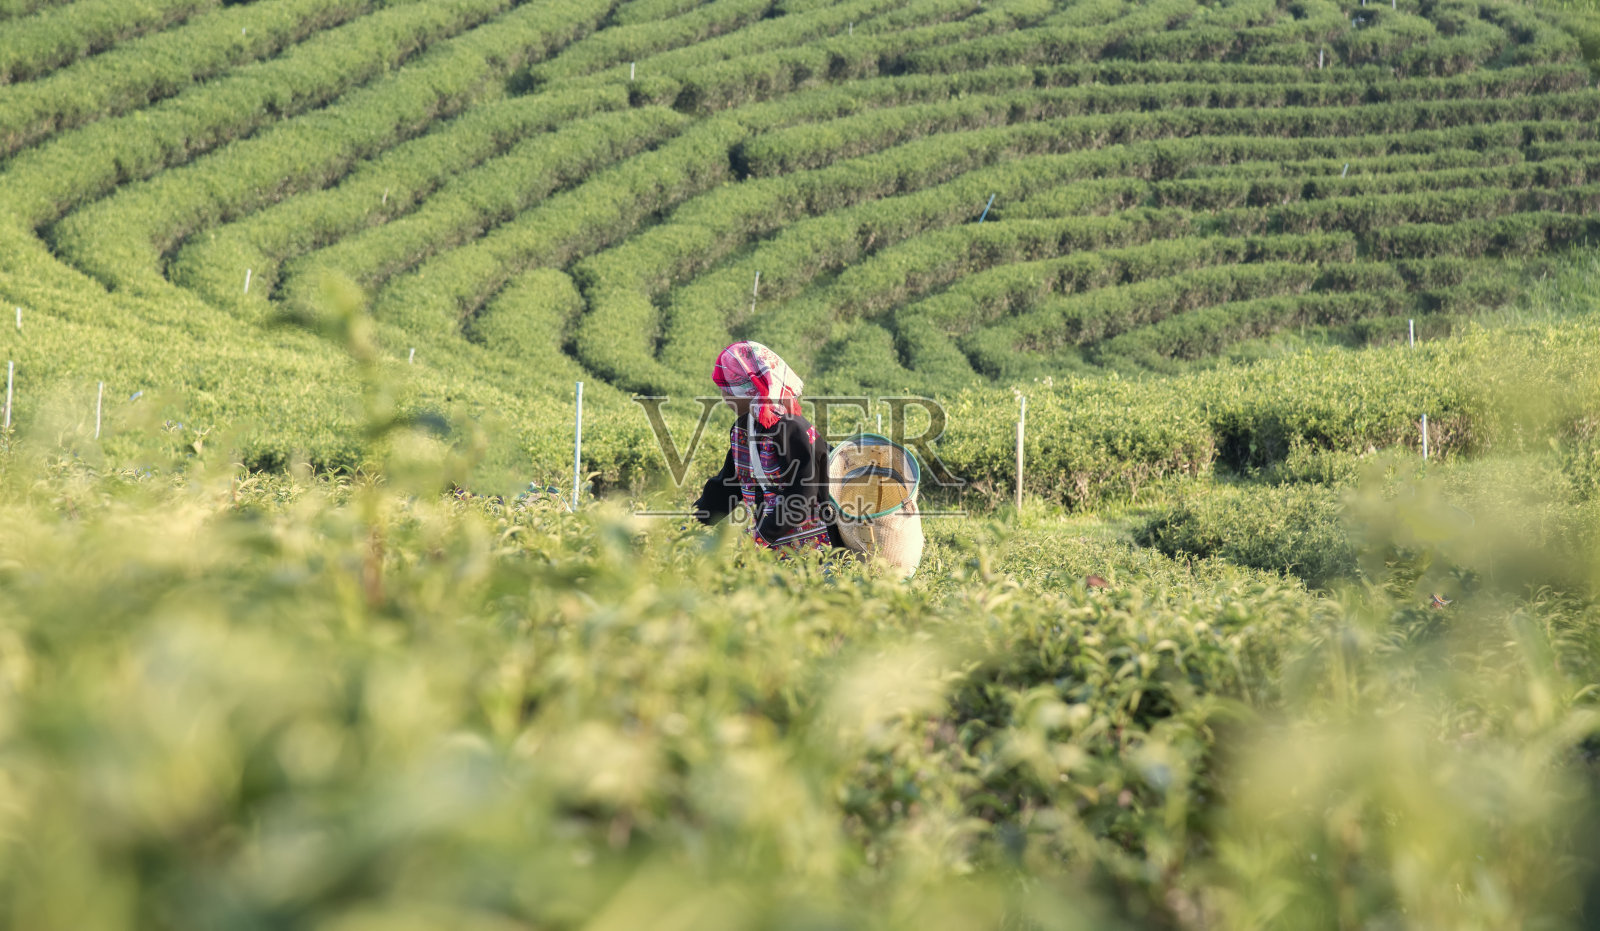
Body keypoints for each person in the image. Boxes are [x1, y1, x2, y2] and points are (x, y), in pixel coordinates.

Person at [693, 341, 842, 553]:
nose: (724, 398)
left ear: (746, 390)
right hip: (768, 539)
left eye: (727, 390)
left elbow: (802, 495)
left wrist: (761, 537)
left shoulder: (792, 428)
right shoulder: (743, 429)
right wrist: (687, 527)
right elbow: (727, 487)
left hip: (811, 545)